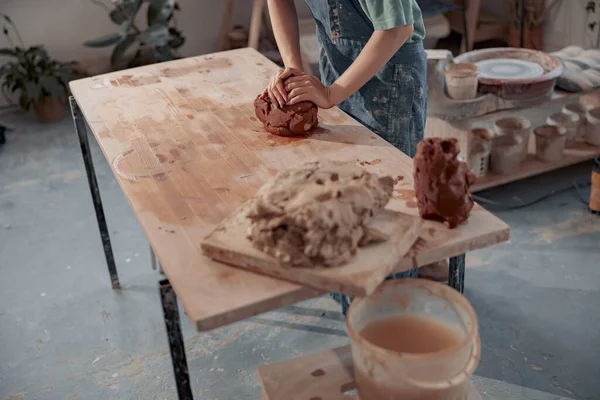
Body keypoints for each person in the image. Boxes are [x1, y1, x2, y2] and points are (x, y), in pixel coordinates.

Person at [263, 0, 428, 315]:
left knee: (388, 200)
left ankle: (392, 308)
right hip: (337, 63)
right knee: (346, 194)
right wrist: (292, 64)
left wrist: (331, 94)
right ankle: (353, 292)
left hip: (390, 73)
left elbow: (397, 28)